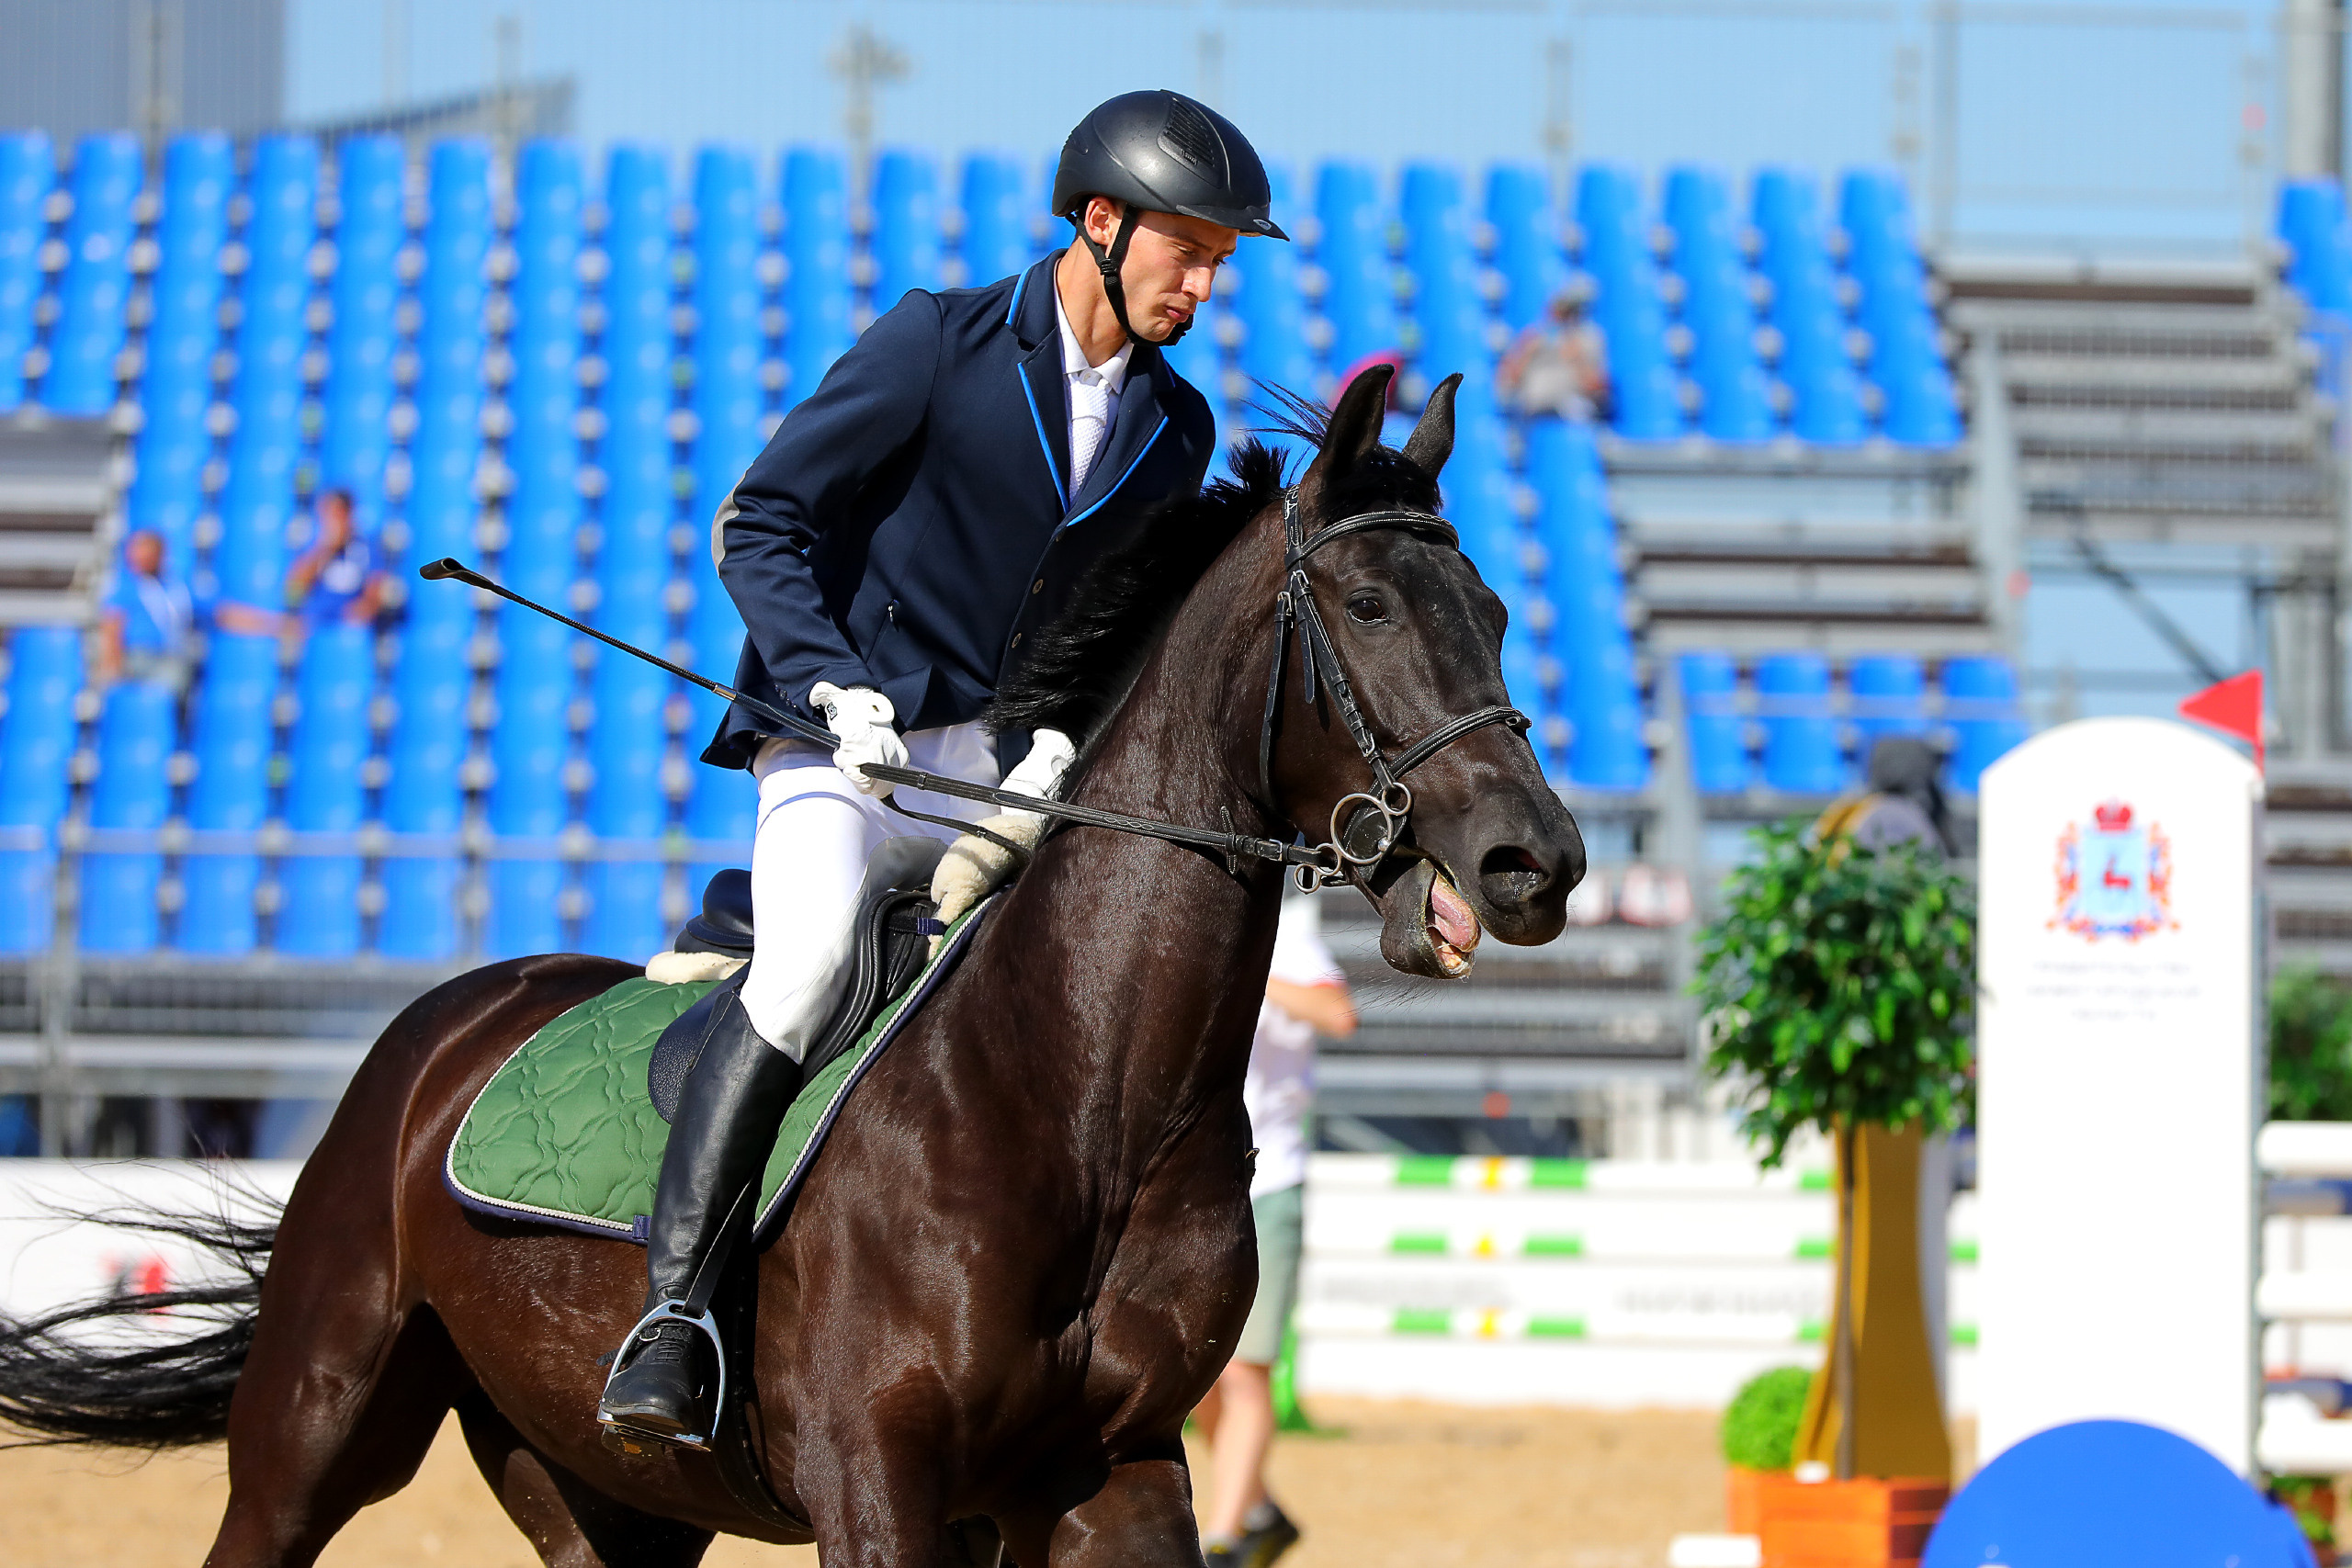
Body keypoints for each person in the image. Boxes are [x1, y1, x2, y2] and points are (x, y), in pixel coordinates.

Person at [597, 89, 1291, 1446]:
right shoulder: (938, 341)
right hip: (842, 743)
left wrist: (1053, 740)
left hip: (995, 771)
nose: (1205, 285)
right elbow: (764, 518)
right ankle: (673, 1316)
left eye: (1221, 261)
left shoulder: (1179, 427)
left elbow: (1112, 631)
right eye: (1187, 252)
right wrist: (824, 677)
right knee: (803, 974)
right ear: (1101, 221)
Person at [1193, 896, 1355, 1568]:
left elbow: (1338, 1014)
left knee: (1244, 1372)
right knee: (1200, 1373)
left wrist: (1249, 970)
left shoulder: (1282, 933)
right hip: (1201, 1187)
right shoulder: (1200, 923)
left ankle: (1225, 1541)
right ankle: (1258, 1511)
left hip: (1271, 1178)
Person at [96, 527, 195, 687]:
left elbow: (213, 612)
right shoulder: (126, 587)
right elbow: (112, 627)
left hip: (170, 654)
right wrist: (113, 666)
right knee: (171, 677)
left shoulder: (175, 587)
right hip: (138, 657)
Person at [1498, 289, 1611, 423]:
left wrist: (1576, 359)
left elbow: (1600, 388)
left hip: (1570, 404)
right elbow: (1507, 381)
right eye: (1557, 311)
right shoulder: (1533, 336)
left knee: (1578, 412)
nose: (1559, 317)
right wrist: (1525, 354)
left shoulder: (1589, 338)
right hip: (1533, 406)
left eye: (1567, 312)